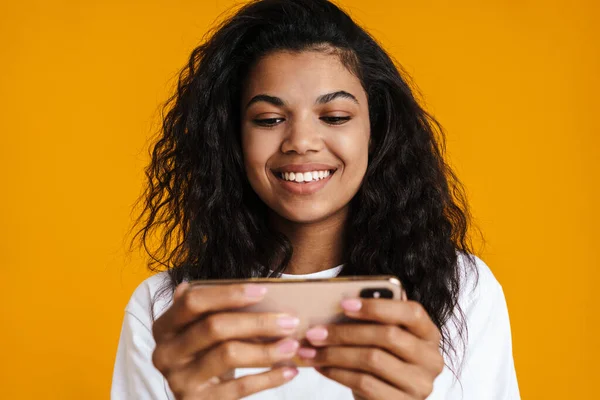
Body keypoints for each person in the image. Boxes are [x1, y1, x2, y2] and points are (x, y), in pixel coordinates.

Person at [111, 0, 520, 399]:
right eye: (270, 120)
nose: (301, 142)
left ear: (375, 131)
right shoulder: (168, 310)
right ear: (232, 140)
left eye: (336, 117)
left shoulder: (463, 290)